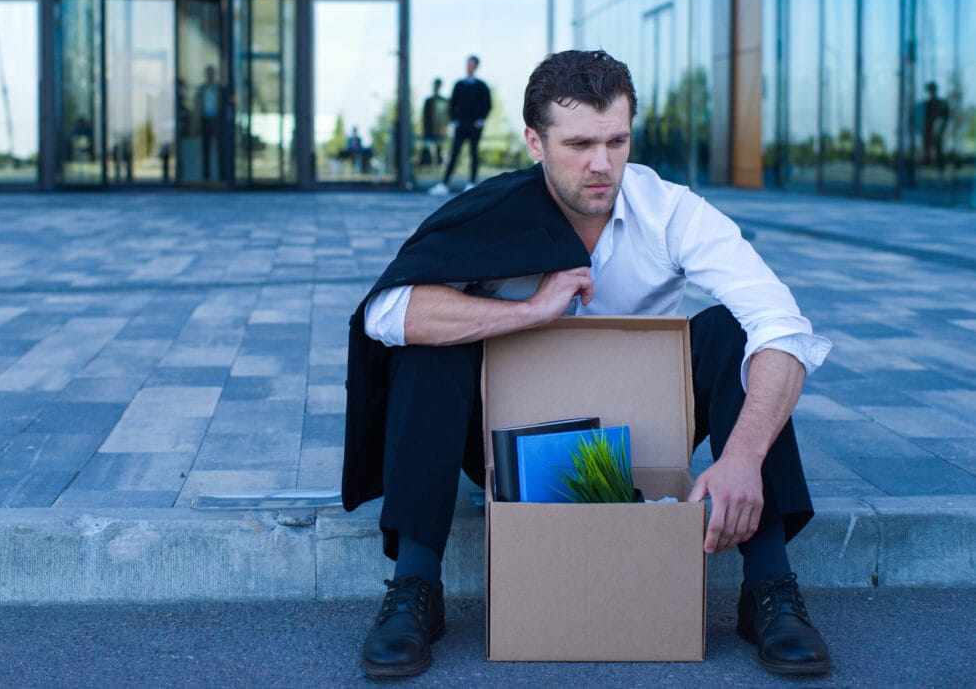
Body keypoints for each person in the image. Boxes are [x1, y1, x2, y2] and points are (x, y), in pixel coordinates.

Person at [345, 49, 832, 678]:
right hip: (505, 441)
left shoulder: (671, 211)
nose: (601, 164)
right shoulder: (492, 211)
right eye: (578, 144)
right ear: (534, 140)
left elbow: (785, 326)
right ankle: (415, 588)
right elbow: (386, 312)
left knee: (736, 332)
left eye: (616, 141)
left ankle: (769, 588)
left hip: (641, 434)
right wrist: (528, 311)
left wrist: (740, 457)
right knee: (433, 343)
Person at [430, 55, 491, 196]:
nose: (470, 67)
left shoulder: (481, 86)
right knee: (454, 153)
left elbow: (487, 105)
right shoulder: (459, 85)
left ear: (476, 67)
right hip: (461, 126)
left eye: (472, 64)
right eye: (468, 64)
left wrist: (481, 120)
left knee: (473, 153)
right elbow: (452, 104)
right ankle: (444, 184)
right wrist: (454, 121)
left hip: (474, 126)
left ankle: (471, 183)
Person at [419, 78, 447, 168]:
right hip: (429, 130)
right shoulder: (428, 101)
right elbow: (425, 116)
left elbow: (446, 116)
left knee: (438, 148)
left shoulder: (443, 101)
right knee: (427, 149)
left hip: (439, 130)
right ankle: (426, 164)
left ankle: (437, 164)